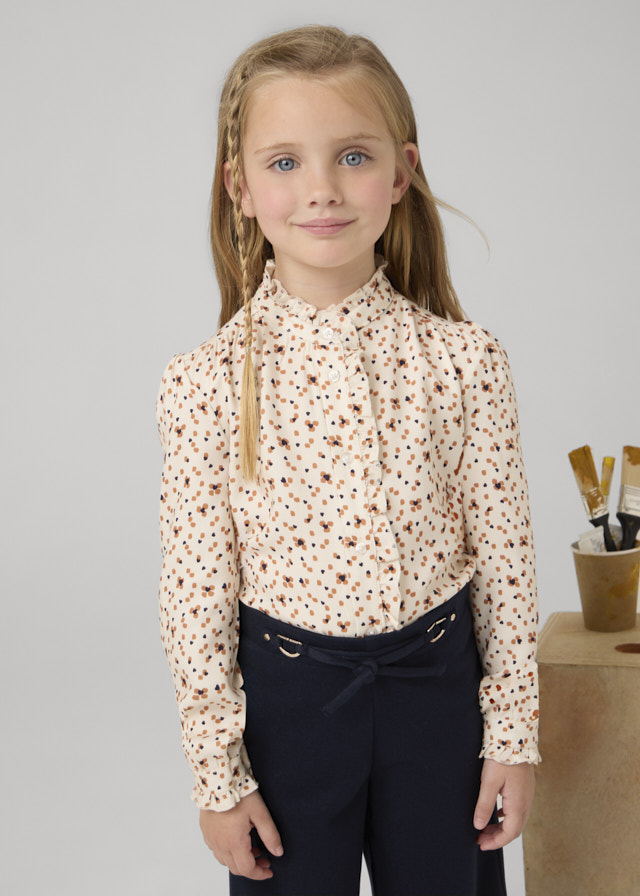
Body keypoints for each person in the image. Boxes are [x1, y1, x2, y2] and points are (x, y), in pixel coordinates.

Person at [156, 24, 540, 896]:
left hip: (438, 700)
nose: (322, 189)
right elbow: (194, 595)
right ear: (240, 187)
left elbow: (507, 567)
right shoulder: (204, 384)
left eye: (354, 156)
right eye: (285, 162)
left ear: (402, 173)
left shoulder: (465, 363)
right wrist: (218, 777)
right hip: (289, 714)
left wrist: (512, 737)